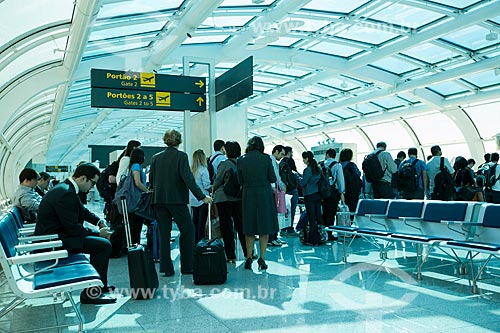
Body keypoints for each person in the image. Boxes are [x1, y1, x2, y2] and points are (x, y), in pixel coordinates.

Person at [34, 163, 116, 304]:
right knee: (103, 246)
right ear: (83, 178)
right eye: (92, 183)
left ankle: (98, 286)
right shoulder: (66, 194)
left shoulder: (66, 189)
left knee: (101, 244)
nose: (92, 188)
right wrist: (98, 234)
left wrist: (99, 222)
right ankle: (92, 293)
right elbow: (73, 229)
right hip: (53, 243)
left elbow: (82, 212)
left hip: (57, 237)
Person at [149, 130, 212, 277]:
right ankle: (187, 266)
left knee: (163, 234)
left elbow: (151, 180)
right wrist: (202, 197)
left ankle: (166, 268)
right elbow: (188, 179)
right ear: (179, 141)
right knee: (188, 230)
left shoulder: (155, 158)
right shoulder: (181, 156)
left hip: (159, 200)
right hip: (177, 200)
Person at [237, 136, 278, 271]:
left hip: (248, 195)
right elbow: (272, 178)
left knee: (249, 227)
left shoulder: (241, 160)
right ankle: (262, 258)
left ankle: (249, 257)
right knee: (263, 227)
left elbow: (240, 180)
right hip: (264, 195)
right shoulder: (266, 158)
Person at [213, 141, 248, 263]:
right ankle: (247, 252)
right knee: (241, 225)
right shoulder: (242, 164)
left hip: (224, 198)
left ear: (227, 151)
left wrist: (212, 189)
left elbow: (217, 181)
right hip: (238, 198)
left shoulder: (225, 164)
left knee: (226, 227)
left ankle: (231, 255)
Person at [299, 151, 323, 243]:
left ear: (307, 159)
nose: (303, 161)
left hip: (309, 195)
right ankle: (320, 237)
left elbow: (303, 183)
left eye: (304, 159)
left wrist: (298, 177)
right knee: (318, 216)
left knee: (311, 217)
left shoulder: (308, 170)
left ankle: (313, 239)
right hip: (317, 194)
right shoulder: (318, 168)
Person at [126, 148, 149, 245]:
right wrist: (147, 191)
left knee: (135, 226)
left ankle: (135, 246)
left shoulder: (132, 166)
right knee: (136, 226)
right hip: (137, 200)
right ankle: (136, 249)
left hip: (135, 199)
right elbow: (137, 182)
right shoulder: (136, 166)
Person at [320, 149, 345, 237]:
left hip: (322, 192)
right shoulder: (337, 165)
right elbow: (340, 180)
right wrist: (342, 191)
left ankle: (322, 232)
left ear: (327, 154)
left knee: (323, 212)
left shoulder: (321, 164)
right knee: (331, 213)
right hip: (333, 192)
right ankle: (329, 233)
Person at [189, 149, 210, 244]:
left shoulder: (191, 170)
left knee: (195, 222)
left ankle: (194, 243)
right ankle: (201, 243)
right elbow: (206, 186)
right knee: (202, 223)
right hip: (203, 199)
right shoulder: (203, 170)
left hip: (193, 199)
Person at [268, 145, 286, 247]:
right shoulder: (271, 159)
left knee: (275, 214)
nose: (282, 157)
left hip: (274, 190)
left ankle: (274, 236)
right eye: (281, 154)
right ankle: (272, 237)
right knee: (273, 214)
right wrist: (281, 185)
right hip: (273, 190)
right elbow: (275, 175)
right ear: (276, 151)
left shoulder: (273, 160)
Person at [279, 146, 299, 236]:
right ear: (289, 152)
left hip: (284, 189)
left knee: (284, 210)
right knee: (292, 209)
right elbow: (295, 174)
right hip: (292, 189)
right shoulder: (290, 161)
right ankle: (290, 229)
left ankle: (283, 229)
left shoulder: (281, 162)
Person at [339, 148, 362, 218]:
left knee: (343, 208)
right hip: (352, 190)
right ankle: (352, 222)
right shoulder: (351, 165)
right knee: (352, 208)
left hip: (342, 190)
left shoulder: (338, 165)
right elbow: (358, 174)